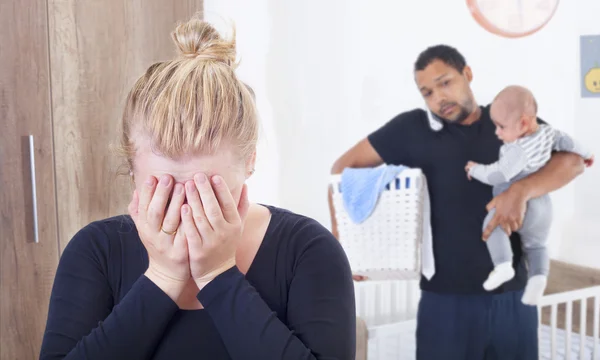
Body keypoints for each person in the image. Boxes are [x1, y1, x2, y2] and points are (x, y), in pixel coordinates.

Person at [40, 14, 356, 360]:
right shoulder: (95, 250)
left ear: (250, 161)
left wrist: (217, 274)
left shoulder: (308, 250)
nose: (186, 206)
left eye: (206, 187)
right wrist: (162, 277)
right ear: (132, 168)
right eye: (166, 185)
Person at [328, 45, 586, 360]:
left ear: (467, 73)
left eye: (445, 82)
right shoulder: (412, 129)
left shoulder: (507, 120)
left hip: (512, 296)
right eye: (427, 92)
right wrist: (344, 243)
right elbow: (342, 169)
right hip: (444, 301)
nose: (438, 97)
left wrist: (521, 191)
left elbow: (573, 161)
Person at [466, 85, 594, 306]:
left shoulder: (517, 150)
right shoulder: (549, 133)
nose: (497, 133)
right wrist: (588, 154)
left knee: (492, 224)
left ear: (523, 123)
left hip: (521, 207)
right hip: (543, 207)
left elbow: (498, 174)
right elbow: (570, 144)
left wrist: (475, 169)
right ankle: (538, 279)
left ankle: (503, 265)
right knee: (537, 246)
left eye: (501, 127)